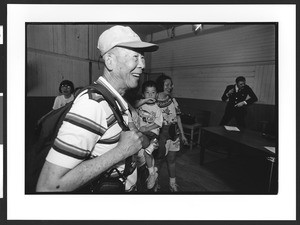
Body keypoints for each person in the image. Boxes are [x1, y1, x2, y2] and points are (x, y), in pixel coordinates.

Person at [36, 25, 159, 192]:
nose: (142, 65)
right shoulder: (92, 105)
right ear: (110, 61)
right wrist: (121, 152)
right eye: (135, 57)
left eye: (142, 57)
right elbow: (49, 186)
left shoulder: (115, 99)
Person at [155, 74, 188, 192]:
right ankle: (154, 182)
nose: (170, 87)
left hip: (174, 135)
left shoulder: (173, 101)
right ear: (161, 85)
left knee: (172, 160)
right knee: (158, 162)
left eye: (171, 85)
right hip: (160, 137)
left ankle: (172, 184)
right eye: (167, 85)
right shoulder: (153, 102)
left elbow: (178, 118)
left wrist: (183, 135)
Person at [134, 80, 163, 190]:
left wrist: (147, 128)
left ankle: (152, 174)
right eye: (147, 93)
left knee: (148, 152)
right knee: (145, 155)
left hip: (153, 134)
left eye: (153, 92)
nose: (150, 95)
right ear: (143, 94)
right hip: (142, 134)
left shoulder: (157, 108)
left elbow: (159, 123)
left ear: (156, 94)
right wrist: (145, 100)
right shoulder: (141, 105)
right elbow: (133, 105)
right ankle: (152, 173)